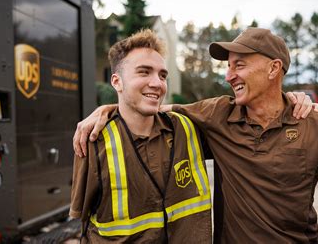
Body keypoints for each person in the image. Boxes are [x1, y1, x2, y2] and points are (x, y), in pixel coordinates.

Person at [72, 28, 318, 243]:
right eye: (228, 66)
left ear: (274, 69)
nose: (229, 76)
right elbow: (152, 105)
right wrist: (106, 110)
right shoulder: (218, 113)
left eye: (240, 65)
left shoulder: (314, 122)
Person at [69, 29, 213, 243]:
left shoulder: (188, 129)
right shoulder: (93, 140)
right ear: (117, 82)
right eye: (144, 72)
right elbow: (83, 222)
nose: (157, 83)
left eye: (162, 75)